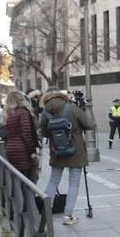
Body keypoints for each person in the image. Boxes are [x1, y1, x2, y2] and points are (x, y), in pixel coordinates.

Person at [38, 88, 95, 225]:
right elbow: (89, 125)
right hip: (75, 151)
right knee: (74, 183)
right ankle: (68, 215)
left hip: (56, 151)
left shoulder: (45, 112)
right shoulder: (72, 108)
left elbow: (44, 133)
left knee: (53, 181)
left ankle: (46, 213)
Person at [0, 90, 39, 181]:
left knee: (17, 179)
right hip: (22, 149)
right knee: (27, 179)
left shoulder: (9, 113)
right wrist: (32, 151)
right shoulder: (23, 112)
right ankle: (27, 195)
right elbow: (26, 134)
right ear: (21, 99)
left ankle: (17, 195)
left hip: (11, 147)